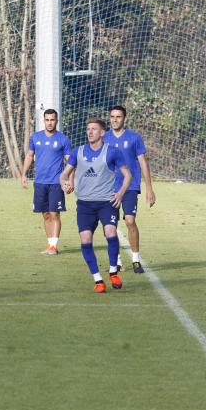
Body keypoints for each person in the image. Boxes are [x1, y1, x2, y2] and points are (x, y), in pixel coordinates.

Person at [60, 118, 132, 293]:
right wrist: (64, 184)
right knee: (85, 240)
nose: (90, 132)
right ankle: (98, 279)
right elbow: (63, 175)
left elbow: (128, 175)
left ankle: (113, 271)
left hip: (107, 202)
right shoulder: (78, 152)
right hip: (84, 204)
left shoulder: (112, 152)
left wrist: (120, 193)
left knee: (110, 232)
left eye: (94, 129)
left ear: (102, 133)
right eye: (88, 129)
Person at [103, 105, 156, 274]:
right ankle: (116, 261)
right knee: (111, 226)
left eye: (118, 117)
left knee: (130, 221)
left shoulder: (134, 138)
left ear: (124, 118)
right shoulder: (104, 138)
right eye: (112, 116)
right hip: (109, 188)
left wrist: (149, 188)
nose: (115, 120)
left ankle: (135, 259)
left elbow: (143, 163)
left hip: (130, 187)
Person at [19, 109, 72, 255]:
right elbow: (30, 156)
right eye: (47, 120)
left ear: (57, 121)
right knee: (46, 215)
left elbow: (71, 161)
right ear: (44, 120)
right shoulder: (36, 137)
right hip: (40, 182)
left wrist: (70, 180)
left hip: (56, 183)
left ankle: (54, 246)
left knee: (55, 214)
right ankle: (50, 245)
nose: (50, 122)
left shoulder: (63, 139)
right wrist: (23, 175)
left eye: (52, 120)